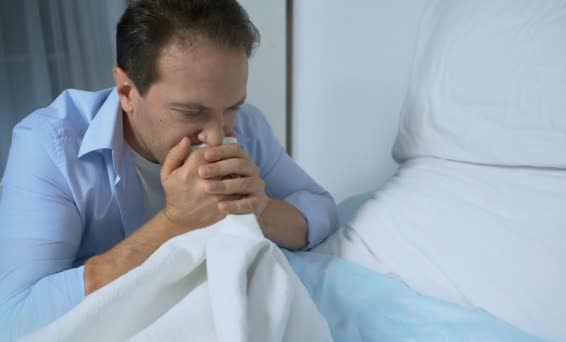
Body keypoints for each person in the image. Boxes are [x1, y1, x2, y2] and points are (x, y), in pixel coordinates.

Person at [0, 0, 337, 339]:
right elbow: (15, 319)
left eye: (231, 108)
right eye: (190, 112)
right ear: (127, 92)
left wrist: (258, 208)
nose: (217, 135)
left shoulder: (247, 127)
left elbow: (321, 210)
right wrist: (174, 222)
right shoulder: (50, 146)